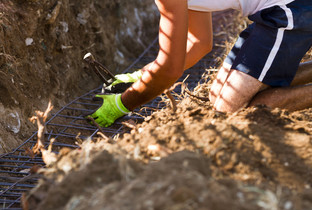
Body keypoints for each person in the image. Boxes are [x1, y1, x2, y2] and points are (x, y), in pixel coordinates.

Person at [89, 0, 312, 127]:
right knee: (217, 96)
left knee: (230, 112)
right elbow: (199, 42)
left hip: (292, 10)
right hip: (271, 12)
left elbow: (169, 69)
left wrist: (122, 104)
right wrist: (141, 76)